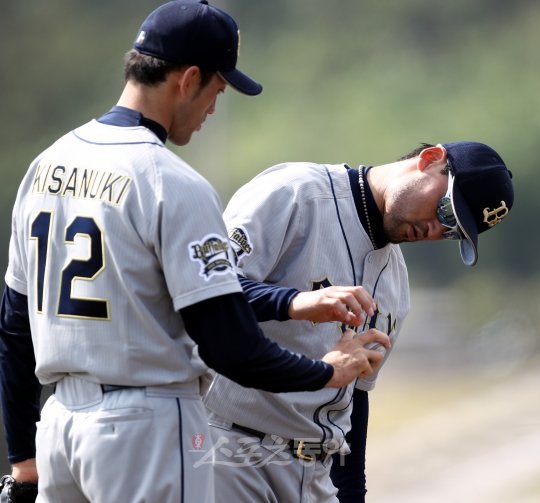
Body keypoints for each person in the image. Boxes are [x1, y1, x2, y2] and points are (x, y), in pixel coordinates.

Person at [0, 1, 391, 502]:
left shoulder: (47, 165)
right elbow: (231, 346)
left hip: (59, 430)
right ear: (188, 80)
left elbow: (14, 328)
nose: (213, 109)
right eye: (217, 90)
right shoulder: (171, 182)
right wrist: (326, 371)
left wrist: (24, 462)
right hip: (143, 429)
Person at [203, 140, 514, 502]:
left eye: (453, 232)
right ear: (430, 160)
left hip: (314, 472)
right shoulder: (296, 194)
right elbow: (205, 287)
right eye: (446, 211)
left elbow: (352, 404)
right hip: (230, 452)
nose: (435, 230)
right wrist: (294, 301)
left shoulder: (396, 286)